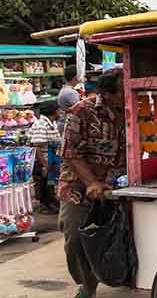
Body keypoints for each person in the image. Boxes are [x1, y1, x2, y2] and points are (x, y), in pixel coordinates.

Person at [58, 69, 126, 298]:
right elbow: (69, 152)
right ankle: (87, 286)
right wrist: (92, 182)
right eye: (124, 91)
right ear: (107, 93)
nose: (129, 95)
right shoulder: (81, 111)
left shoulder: (130, 110)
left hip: (117, 184)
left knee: (117, 234)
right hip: (78, 185)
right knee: (76, 238)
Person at [29, 100, 62, 213]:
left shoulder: (52, 123)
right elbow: (36, 146)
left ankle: (51, 203)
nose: (60, 112)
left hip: (52, 158)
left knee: (50, 184)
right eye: (59, 110)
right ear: (54, 111)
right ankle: (45, 206)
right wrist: (45, 164)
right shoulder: (41, 124)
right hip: (44, 159)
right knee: (44, 184)